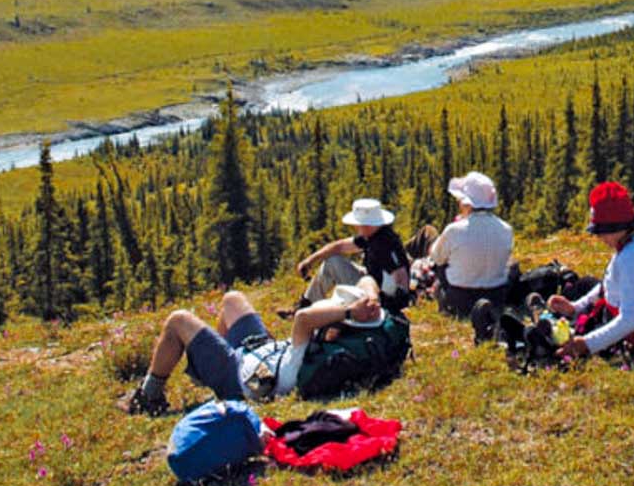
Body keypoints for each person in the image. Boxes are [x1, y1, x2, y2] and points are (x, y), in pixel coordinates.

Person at [118, 277, 383, 415]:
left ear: (333, 331)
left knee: (178, 321)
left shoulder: (317, 346)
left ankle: (149, 396)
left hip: (241, 376)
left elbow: (302, 319)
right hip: (263, 354)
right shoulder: (348, 339)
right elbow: (368, 279)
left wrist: (347, 312)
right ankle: (208, 364)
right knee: (232, 299)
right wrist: (370, 300)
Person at [546, 181, 634, 360]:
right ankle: (567, 316)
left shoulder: (630, 259)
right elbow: (609, 282)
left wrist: (587, 344)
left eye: (601, 231)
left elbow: (630, 320)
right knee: (585, 284)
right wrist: (576, 307)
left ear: (616, 228)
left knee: (579, 288)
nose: (599, 237)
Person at [420, 171, 514, 317]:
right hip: (495, 296)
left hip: (459, 300)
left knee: (431, 237)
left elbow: (437, 258)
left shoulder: (455, 229)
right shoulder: (507, 229)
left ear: (467, 203)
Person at [294, 198, 413, 314]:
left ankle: (306, 308)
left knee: (333, 263)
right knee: (333, 261)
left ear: (366, 225)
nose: (355, 227)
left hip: (376, 294)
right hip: (372, 281)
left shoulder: (385, 243)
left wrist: (393, 304)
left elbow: (400, 275)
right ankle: (306, 305)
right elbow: (339, 246)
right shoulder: (371, 236)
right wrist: (310, 260)